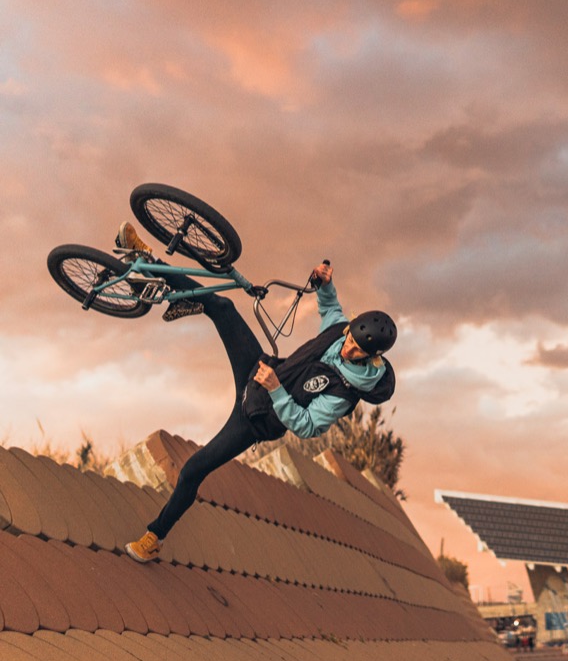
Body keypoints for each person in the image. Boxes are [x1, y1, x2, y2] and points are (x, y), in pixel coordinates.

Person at [115, 223, 397, 562]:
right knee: (222, 306)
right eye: (349, 339)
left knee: (193, 470)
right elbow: (330, 308)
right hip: (258, 370)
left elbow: (307, 425)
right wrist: (325, 283)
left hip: (255, 418)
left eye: (356, 350)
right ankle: (146, 258)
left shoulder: (345, 393)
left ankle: (154, 538)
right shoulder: (340, 333)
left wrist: (276, 390)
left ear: (372, 356)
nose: (347, 348)